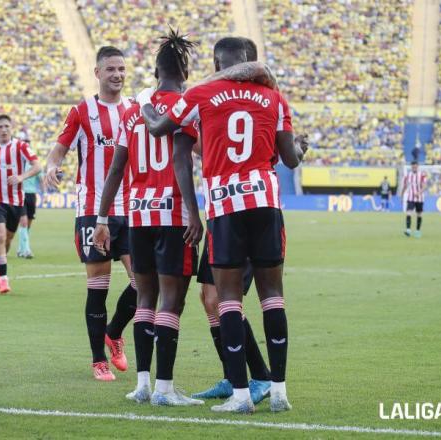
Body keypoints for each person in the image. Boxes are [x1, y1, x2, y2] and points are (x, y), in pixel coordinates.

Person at [137, 37, 308, 413]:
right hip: (264, 200)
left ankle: (242, 395)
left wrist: (144, 102)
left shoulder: (202, 94)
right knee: (272, 297)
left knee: (227, 299)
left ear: (218, 62)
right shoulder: (274, 98)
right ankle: (279, 392)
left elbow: (159, 127)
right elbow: (291, 160)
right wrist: (301, 147)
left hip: (225, 205)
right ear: (249, 62)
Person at [92, 29, 204, 406]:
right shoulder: (186, 107)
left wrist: (103, 217)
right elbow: (181, 162)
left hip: (137, 216)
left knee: (144, 300)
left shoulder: (132, 113)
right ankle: (165, 389)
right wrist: (194, 211)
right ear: (184, 72)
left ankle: (141, 384)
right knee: (171, 303)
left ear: (155, 71)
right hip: (173, 216)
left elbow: (114, 170)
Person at [192, 37, 275, 405]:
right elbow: (209, 146)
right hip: (219, 212)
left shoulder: (262, 98)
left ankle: (259, 378)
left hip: (242, 212)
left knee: (225, 299)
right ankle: (233, 373)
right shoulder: (223, 105)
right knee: (209, 298)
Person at [46, 46, 137, 381]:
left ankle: (114, 332)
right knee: (98, 288)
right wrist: (52, 166)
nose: (117, 75)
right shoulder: (82, 110)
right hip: (92, 210)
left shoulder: (134, 110)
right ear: (97, 73)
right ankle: (98, 359)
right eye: (111, 69)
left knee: (143, 282)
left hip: (130, 208)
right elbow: (59, 149)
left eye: (122, 69)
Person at [0, 114, 41, 294]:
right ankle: (4, 280)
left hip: (16, 201)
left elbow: (37, 166)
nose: (3, 130)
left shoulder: (21, 146)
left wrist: (21, 177)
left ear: (11, 128)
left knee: (8, 239)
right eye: (0, 127)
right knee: (1, 236)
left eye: (6, 126)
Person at [17, 152, 46, 258]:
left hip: (31, 195)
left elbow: (42, 180)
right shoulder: (17, 164)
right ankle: (26, 250)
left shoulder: (35, 166)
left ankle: (21, 248)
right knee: (23, 223)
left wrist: (45, 194)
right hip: (21, 195)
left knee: (28, 224)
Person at [402, 161, 427, 238]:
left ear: (418, 166)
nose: (414, 167)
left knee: (419, 214)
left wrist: (419, 193)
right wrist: (402, 195)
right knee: (408, 212)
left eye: (415, 166)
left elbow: (424, 186)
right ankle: (408, 230)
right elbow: (405, 186)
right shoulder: (407, 175)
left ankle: (417, 231)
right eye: (413, 166)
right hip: (411, 197)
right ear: (411, 167)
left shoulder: (422, 175)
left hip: (419, 198)